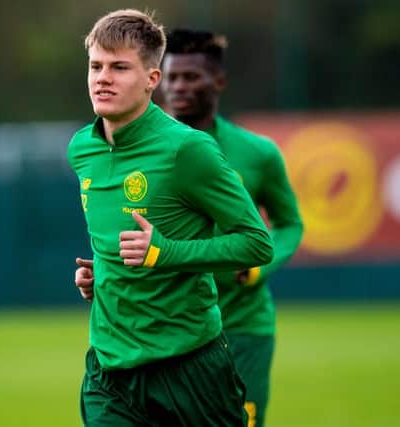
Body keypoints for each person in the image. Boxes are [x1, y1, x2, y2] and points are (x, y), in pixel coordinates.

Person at [78, 28, 304, 427]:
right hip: (114, 359)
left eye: (118, 67)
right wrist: (107, 271)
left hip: (220, 334)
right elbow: (123, 236)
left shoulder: (217, 151)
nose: (102, 77)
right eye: (96, 66)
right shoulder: (83, 148)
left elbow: (275, 233)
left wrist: (251, 272)